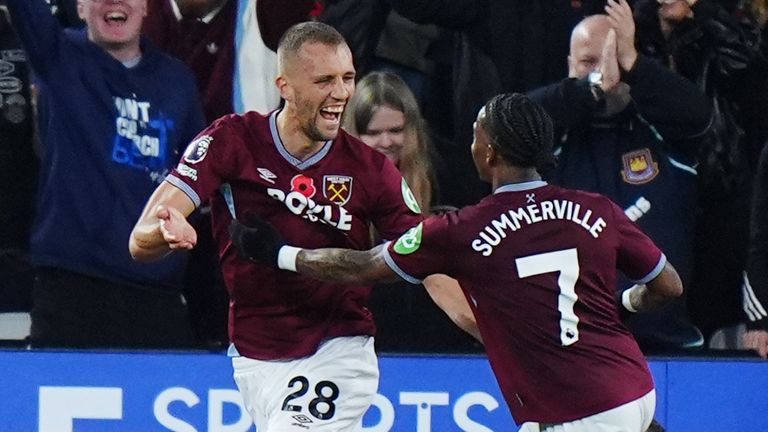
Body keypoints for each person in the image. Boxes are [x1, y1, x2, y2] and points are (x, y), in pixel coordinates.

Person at [229, 92, 682, 431]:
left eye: (475, 136)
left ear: (490, 152)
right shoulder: (598, 209)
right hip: (635, 388)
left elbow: (363, 266)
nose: (471, 146)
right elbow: (668, 286)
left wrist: (279, 253)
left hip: (575, 414)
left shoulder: (461, 231)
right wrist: (626, 303)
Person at [129, 22, 473, 430]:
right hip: (255, 357)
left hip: (337, 348)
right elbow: (140, 240)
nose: (341, 93)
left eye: (347, 78)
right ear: (285, 87)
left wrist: (498, 337)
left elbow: (427, 261)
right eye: (324, 81)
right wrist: (165, 233)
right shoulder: (231, 141)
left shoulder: (370, 170)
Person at [5, 0, 206, 348]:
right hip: (71, 290)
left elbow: (202, 180)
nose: (115, 2)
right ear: (81, 8)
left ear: (146, 7)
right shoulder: (58, 56)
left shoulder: (178, 81)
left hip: (157, 297)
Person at [528, 0, 712, 350]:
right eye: (589, 62)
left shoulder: (662, 128)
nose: (606, 72)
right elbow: (502, 125)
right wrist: (592, 86)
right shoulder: (550, 140)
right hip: (570, 346)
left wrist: (635, 66)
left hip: (665, 346)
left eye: (614, 57)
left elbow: (699, 115)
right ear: (569, 66)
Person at [343, 71, 480, 352]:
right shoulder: (335, 183)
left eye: (396, 130)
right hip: (364, 331)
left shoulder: (450, 171)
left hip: (442, 332)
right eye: (373, 133)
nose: (386, 142)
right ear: (353, 134)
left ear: (413, 128)